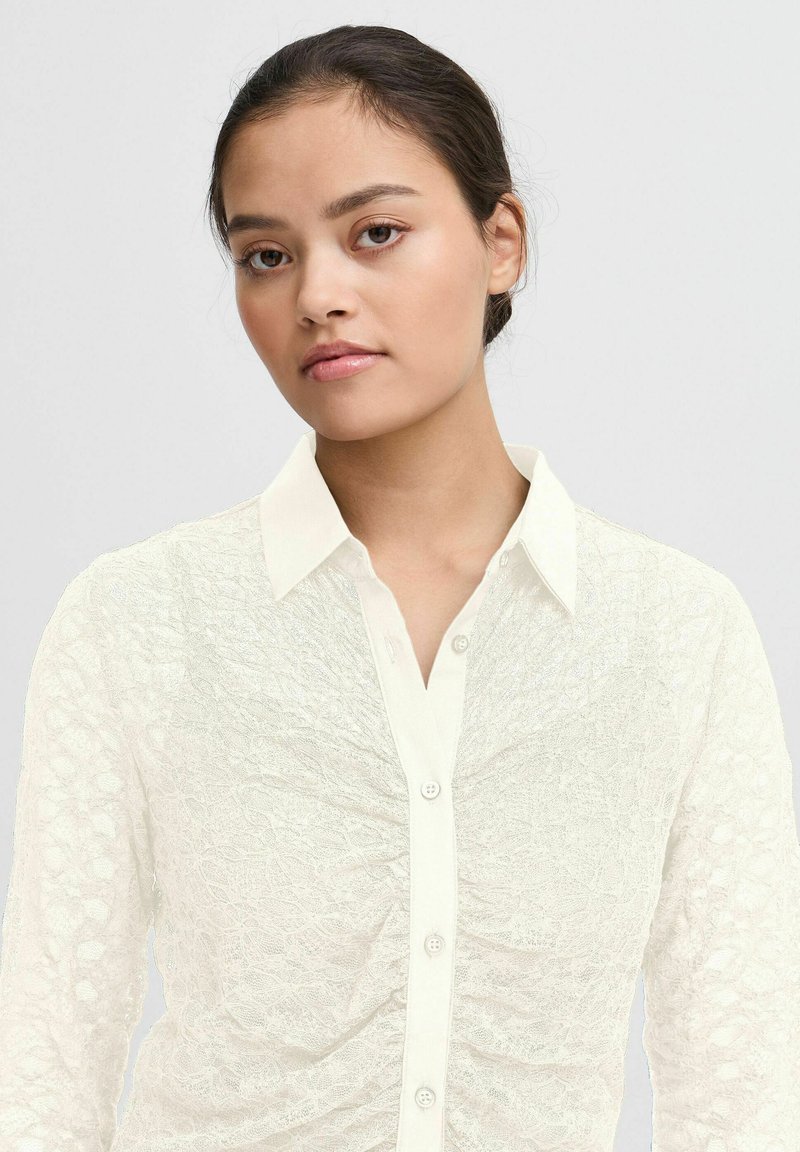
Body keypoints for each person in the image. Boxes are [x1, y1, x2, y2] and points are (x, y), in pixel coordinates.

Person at [0, 22, 798, 1152]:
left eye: (375, 233)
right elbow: (43, 1071)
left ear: (501, 242)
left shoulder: (675, 634)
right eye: (265, 255)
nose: (317, 294)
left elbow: (744, 1093)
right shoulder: (138, 622)